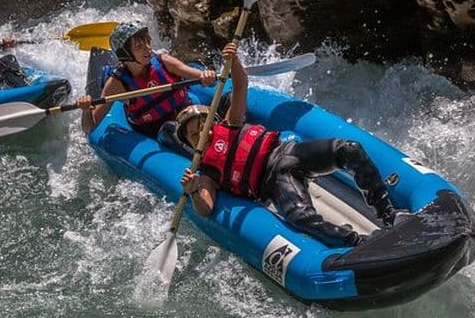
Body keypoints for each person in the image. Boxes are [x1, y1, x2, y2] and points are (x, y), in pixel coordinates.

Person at [176, 43, 397, 248]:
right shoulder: (205, 173)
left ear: (212, 123)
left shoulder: (231, 122)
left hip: (288, 153)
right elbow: (205, 209)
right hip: (273, 181)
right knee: (301, 217)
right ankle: (358, 242)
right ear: (190, 144)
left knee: (349, 149)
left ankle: (389, 215)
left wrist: (232, 60)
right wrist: (193, 189)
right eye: (194, 135)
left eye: (202, 127)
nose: (200, 135)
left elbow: (241, 83)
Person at [76, 21, 217, 136]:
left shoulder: (164, 62)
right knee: (170, 130)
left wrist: (206, 76)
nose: (148, 48)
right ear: (126, 54)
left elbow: (199, 77)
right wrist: (86, 110)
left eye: (148, 42)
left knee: (203, 121)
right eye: (139, 46)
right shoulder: (116, 85)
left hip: (187, 112)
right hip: (159, 130)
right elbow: (90, 127)